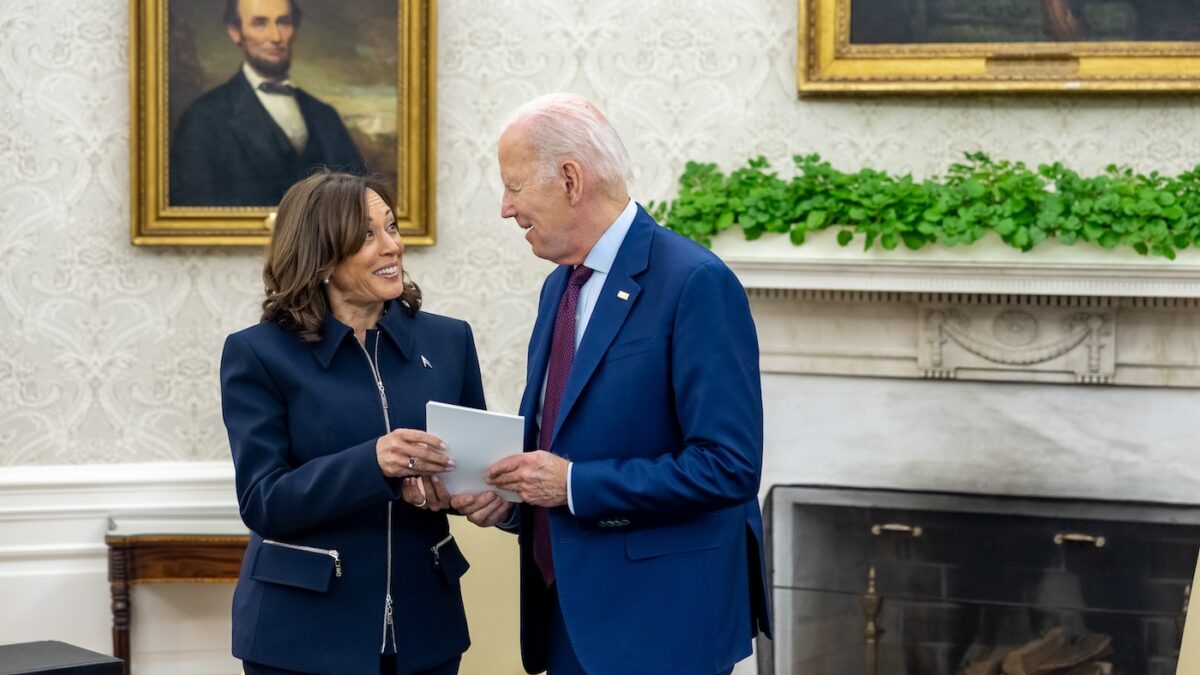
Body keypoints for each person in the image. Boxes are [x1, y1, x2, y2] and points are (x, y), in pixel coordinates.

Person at [448, 93, 772, 675]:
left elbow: (729, 466)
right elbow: (562, 438)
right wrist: (516, 496)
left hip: (659, 626)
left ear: (570, 179)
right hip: (566, 613)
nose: (505, 208)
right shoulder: (559, 288)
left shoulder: (696, 282)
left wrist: (573, 484)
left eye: (514, 186)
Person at [220, 171, 480, 675]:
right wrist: (374, 463)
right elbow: (263, 501)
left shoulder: (450, 342)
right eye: (367, 235)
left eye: (392, 226)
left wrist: (468, 493)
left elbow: (465, 471)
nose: (392, 246)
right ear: (320, 256)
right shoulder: (258, 354)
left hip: (427, 631)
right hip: (301, 636)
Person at [170, 0, 366, 207]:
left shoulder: (325, 116)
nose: (276, 37)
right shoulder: (203, 118)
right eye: (260, 23)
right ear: (235, 32)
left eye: (284, 22)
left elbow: (359, 205)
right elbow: (192, 215)